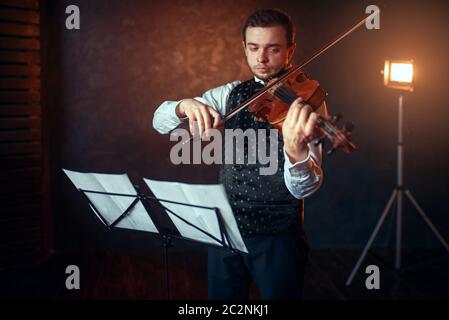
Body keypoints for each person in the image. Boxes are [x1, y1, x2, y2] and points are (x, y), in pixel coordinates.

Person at [152, 8, 327, 300]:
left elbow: (305, 188)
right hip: (226, 231)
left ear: (290, 50)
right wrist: (185, 105)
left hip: (279, 237)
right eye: (254, 48)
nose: (261, 58)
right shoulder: (228, 95)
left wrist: (296, 152)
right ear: (244, 48)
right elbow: (159, 121)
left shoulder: (305, 102)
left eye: (273, 49)